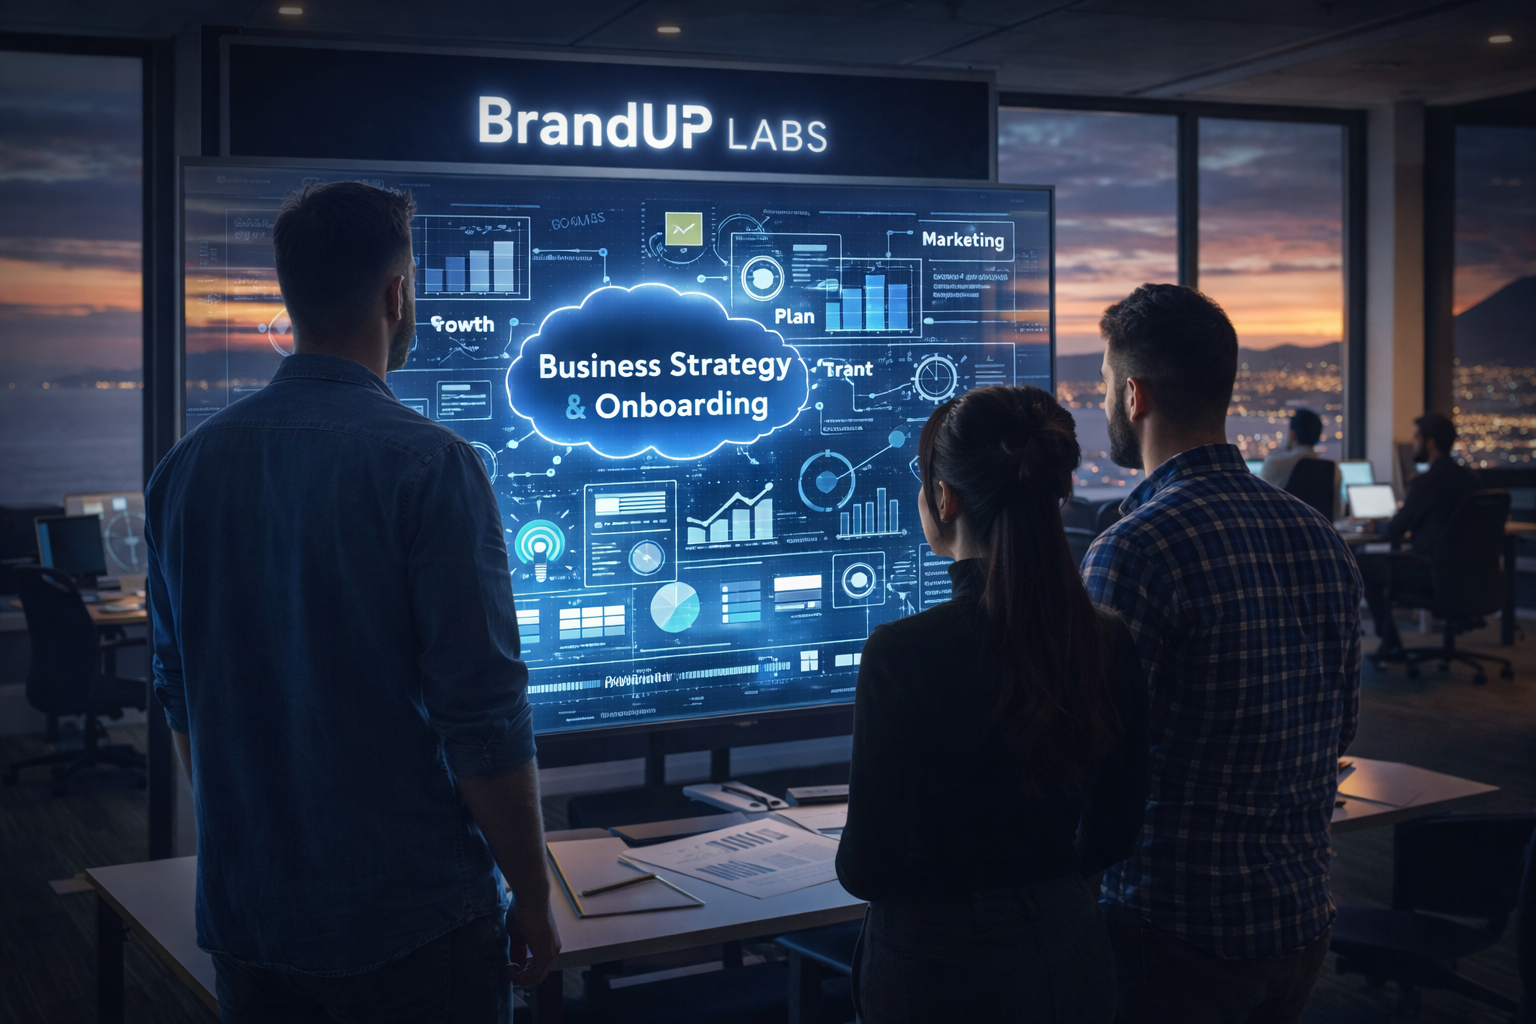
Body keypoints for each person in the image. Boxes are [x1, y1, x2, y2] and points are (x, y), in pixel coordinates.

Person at [146, 181, 557, 1022]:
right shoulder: (431, 464)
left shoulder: (184, 468)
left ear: (291, 295)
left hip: (249, 913)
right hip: (410, 923)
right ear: (397, 295)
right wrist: (534, 891)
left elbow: (179, 690)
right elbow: (482, 717)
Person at [1082, 284, 1362, 1024]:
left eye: (1105, 384)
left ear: (1134, 395)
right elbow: (1340, 729)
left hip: (1173, 931)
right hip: (1299, 921)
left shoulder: (1134, 549)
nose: (1103, 401)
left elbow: (1089, 757)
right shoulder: (1319, 535)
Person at [837, 385, 1150, 1023]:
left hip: (932, 961)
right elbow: (1116, 827)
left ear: (943, 499)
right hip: (1067, 946)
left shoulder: (900, 652)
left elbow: (866, 869)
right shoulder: (1105, 639)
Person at [1357, 412, 1480, 659]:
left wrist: (1375, 526)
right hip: (1467, 575)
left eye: (1416, 438)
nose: (1413, 444)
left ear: (1430, 443)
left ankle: (1390, 641)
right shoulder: (1472, 480)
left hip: (1429, 573)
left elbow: (1396, 530)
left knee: (1360, 563)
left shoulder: (1425, 483)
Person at [1259, 408, 1340, 515]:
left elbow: (1262, 507)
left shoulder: (1274, 464)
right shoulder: (1333, 469)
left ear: (1293, 434)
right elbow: (1337, 514)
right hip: (1320, 526)